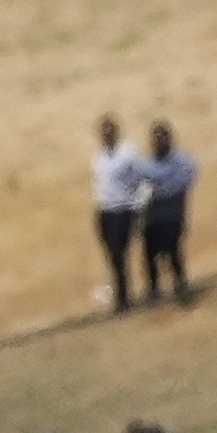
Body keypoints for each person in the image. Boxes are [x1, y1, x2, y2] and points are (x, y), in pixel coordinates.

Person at [136, 119, 197, 304]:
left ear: (169, 139)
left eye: (161, 138)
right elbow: (141, 187)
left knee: (172, 251)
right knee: (149, 254)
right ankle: (154, 291)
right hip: (152, 214)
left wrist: (161, 188)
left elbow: (185, 181)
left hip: (172, 212)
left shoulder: (181, 160)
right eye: (155, 139)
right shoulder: (146, 163)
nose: (158, 143)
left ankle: (181, 286)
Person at [90, 112, 145, 309]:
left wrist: (138, 207)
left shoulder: (128, 153)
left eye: (109, 131)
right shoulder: (99, 157)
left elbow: (142, 179)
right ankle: (122, 294)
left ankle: (123, 297)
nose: (106, 136)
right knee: (112, 255)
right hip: (105, 210)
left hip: (124, 209)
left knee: (119, 253)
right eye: (103, 133)